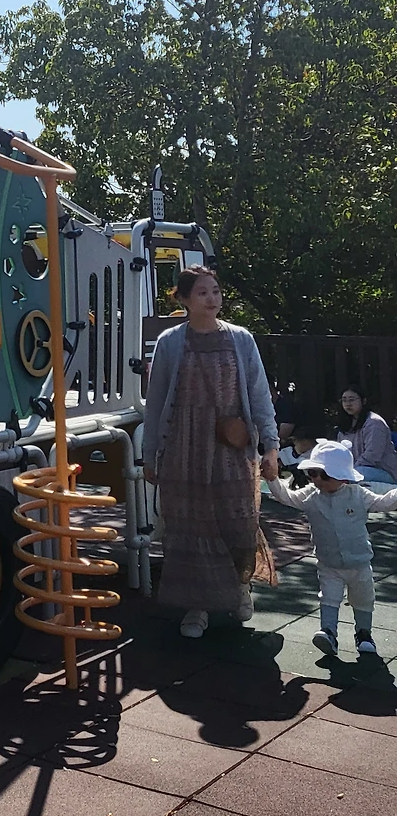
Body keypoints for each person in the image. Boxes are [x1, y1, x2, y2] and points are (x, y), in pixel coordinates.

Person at [141, 267, 278, 639]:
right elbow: (156, 403)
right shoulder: (170, 342)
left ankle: (241, 587)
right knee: (190, 525)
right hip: (183, 446)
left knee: (238, 520)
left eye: (215, 291)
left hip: (230, 445)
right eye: (202, 292)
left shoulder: (241, 339)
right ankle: (196, 606)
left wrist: (271, 446)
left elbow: (259, 393)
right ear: (185, 299)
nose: (212, 298)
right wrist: (150, 454)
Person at [265, 440, 397, 656]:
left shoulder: (358, 494)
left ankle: (364, 634)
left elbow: (384, 502)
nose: (317, 480)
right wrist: (272, 479)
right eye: (312, 473)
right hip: (328, 563)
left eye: (324, 475)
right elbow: (286, 497)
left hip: (359, 563)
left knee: (363, 599)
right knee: (328, 597)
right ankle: (328, 632)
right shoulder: (311, 495)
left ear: (343, 478)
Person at [338, 387, 397, 485]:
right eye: (344, 400)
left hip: (384, 471)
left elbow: (373, 455)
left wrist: (350, 471)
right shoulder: (345, 425)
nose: (348, 404)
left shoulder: (374, 422)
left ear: (363, 401)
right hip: (356, 469)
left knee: (350, 476)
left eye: (352, 399)